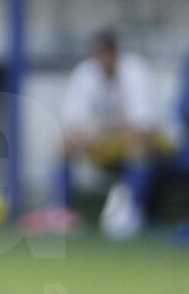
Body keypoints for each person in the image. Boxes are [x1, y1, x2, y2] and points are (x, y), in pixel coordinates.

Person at [45, 29, 170, 239]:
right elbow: (74, 122)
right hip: (103, 142)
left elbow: (143, 126)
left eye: (106, 55)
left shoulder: (135, 70)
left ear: (116, 54)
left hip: (142, 141)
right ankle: (62, 212)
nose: (102, 61)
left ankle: (132, 212)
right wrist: (83, 137)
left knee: (137, 146)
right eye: (98, 55)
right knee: (62, 144)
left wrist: (107, 131)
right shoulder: (85, 73)